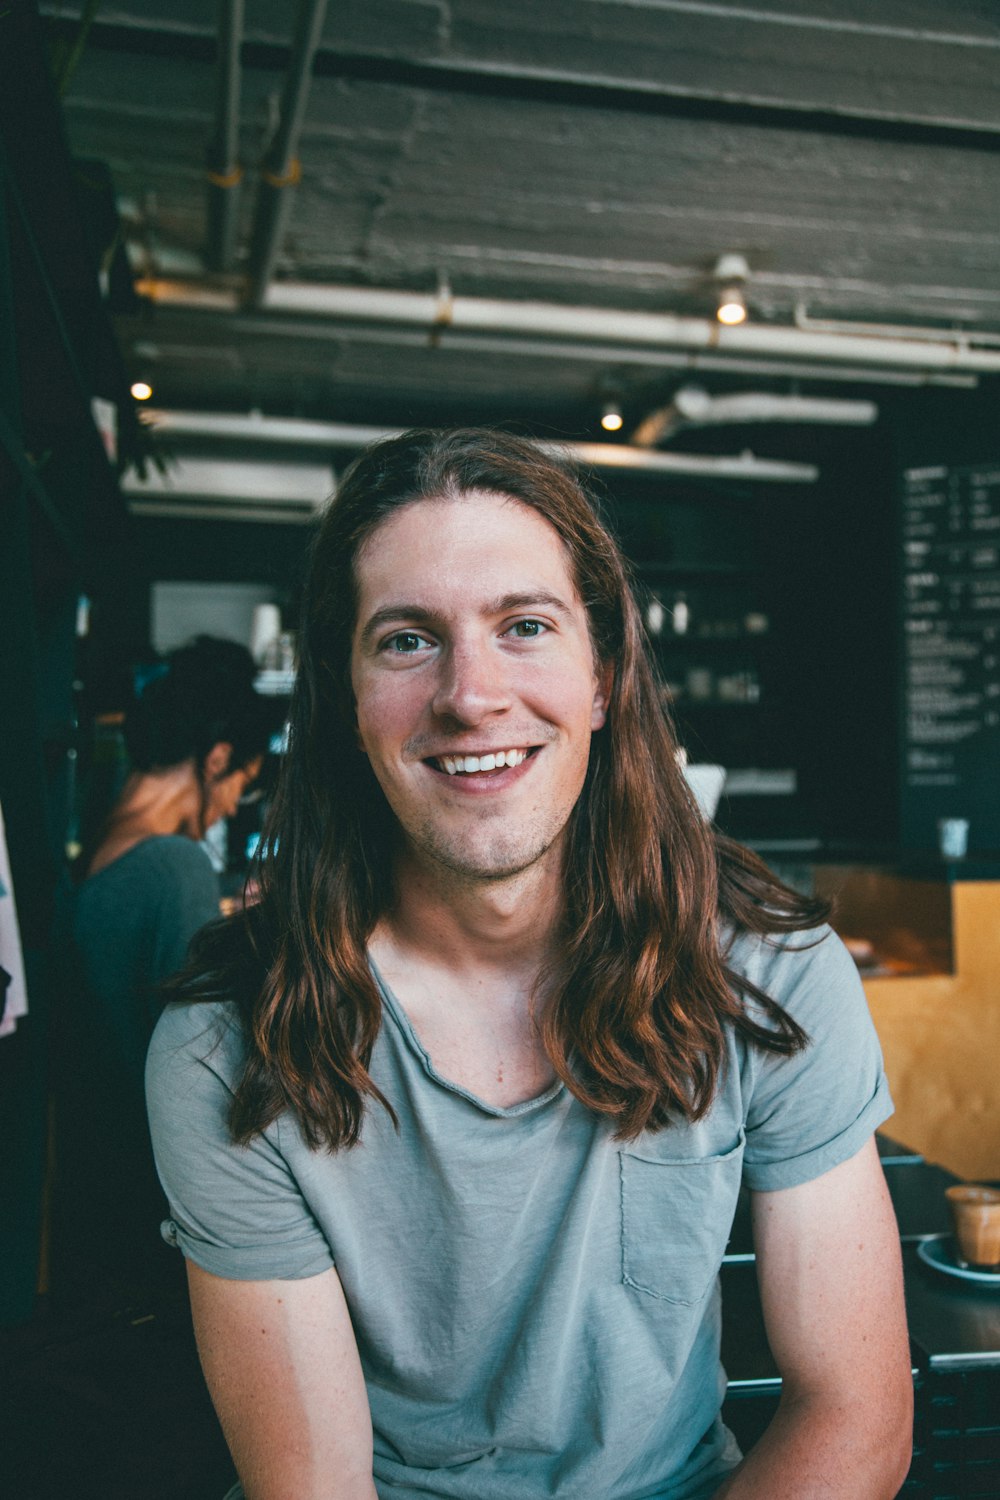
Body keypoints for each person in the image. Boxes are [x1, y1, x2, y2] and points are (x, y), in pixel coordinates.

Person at [147, 431, 913, 1498]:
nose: (472, 693)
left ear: (602, 676)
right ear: (345, 701)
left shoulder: (770, 974)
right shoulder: (228, 1045)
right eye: (408, 639)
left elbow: (856, 1417)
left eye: (525, 626)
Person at [52, 635, 272, 1302]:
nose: (235, 805)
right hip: (143, 1206)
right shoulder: (175, 865)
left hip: (86, 1189)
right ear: (218, 758)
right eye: (241, 783)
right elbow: (207, 1057)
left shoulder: (94, 845)